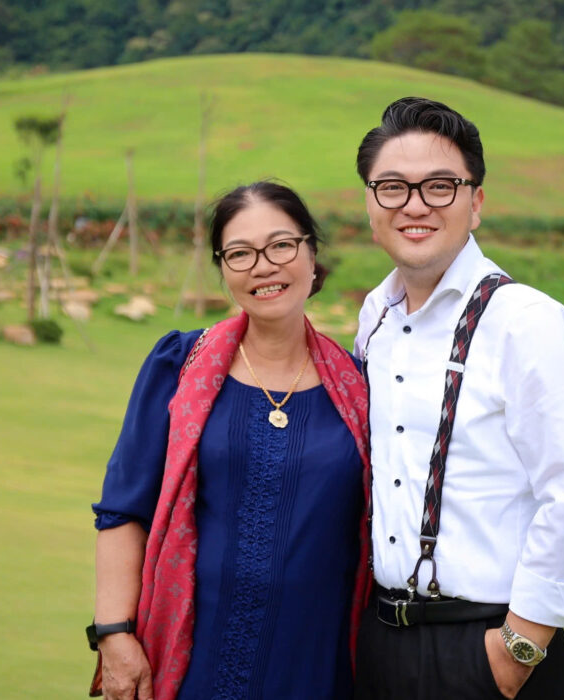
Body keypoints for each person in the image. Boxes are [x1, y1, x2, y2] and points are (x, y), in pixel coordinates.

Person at [352, 97, 564, 700]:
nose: (414, 205)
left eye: (440, 186)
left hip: (487, 648)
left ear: (476, 203)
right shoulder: (375, 317)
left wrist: (517, 648)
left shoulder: (526, 321)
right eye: (391, 187)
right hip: (380, 640)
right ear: (370, 202)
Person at [90, 182, 372, 700]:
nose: (263, 266)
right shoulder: (179, 366)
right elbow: (123, 509)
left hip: (315, 665)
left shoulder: (364, 390)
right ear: (223, 269)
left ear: (312, 253)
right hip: (189, 659)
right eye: (240, 253)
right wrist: (113, 635)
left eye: (282, 245)